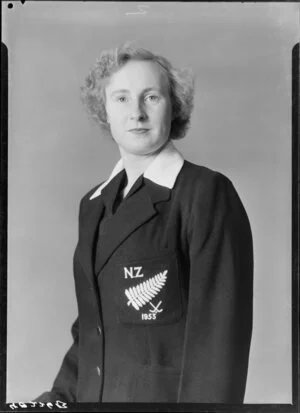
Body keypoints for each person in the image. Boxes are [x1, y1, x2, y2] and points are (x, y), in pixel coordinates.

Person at [35, 44, 253, 403]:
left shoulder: (205, 193)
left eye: (151, 97)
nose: (136, 112)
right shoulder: (93, 204)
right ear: (103, 109)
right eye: (121, 98)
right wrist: (54, 400)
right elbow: (93, 332)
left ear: (174, 106)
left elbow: (219, 340)